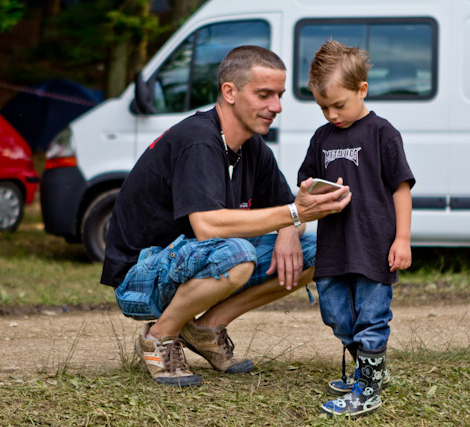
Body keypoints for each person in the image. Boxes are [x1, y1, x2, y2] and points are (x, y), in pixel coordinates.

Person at [100, 45, 351, 387]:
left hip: (193, 263)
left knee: (318, 251)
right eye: (264, 95)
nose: (275, 107)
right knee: (236, 253)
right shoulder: (199, 140)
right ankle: (159, 336)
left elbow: (291, 210)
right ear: (229, 92)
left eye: (278, 95)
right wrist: (292, 213)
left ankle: (205, 328)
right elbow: (207, 226)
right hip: (139, 278)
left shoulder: (252, 147)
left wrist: (290, 228)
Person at [297, 40, 415, 417]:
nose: (331, 114)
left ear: (362, 89)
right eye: (323, 107)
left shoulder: (382, 133)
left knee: (371, 317)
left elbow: (401, 189)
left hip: (374, 246)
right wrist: (308, 193)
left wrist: (402, 239)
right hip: (334, 246)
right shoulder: (322, 137)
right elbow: (305, 183)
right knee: (335, 313)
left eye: (339, 105)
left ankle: (368, 388)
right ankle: (371, 372)